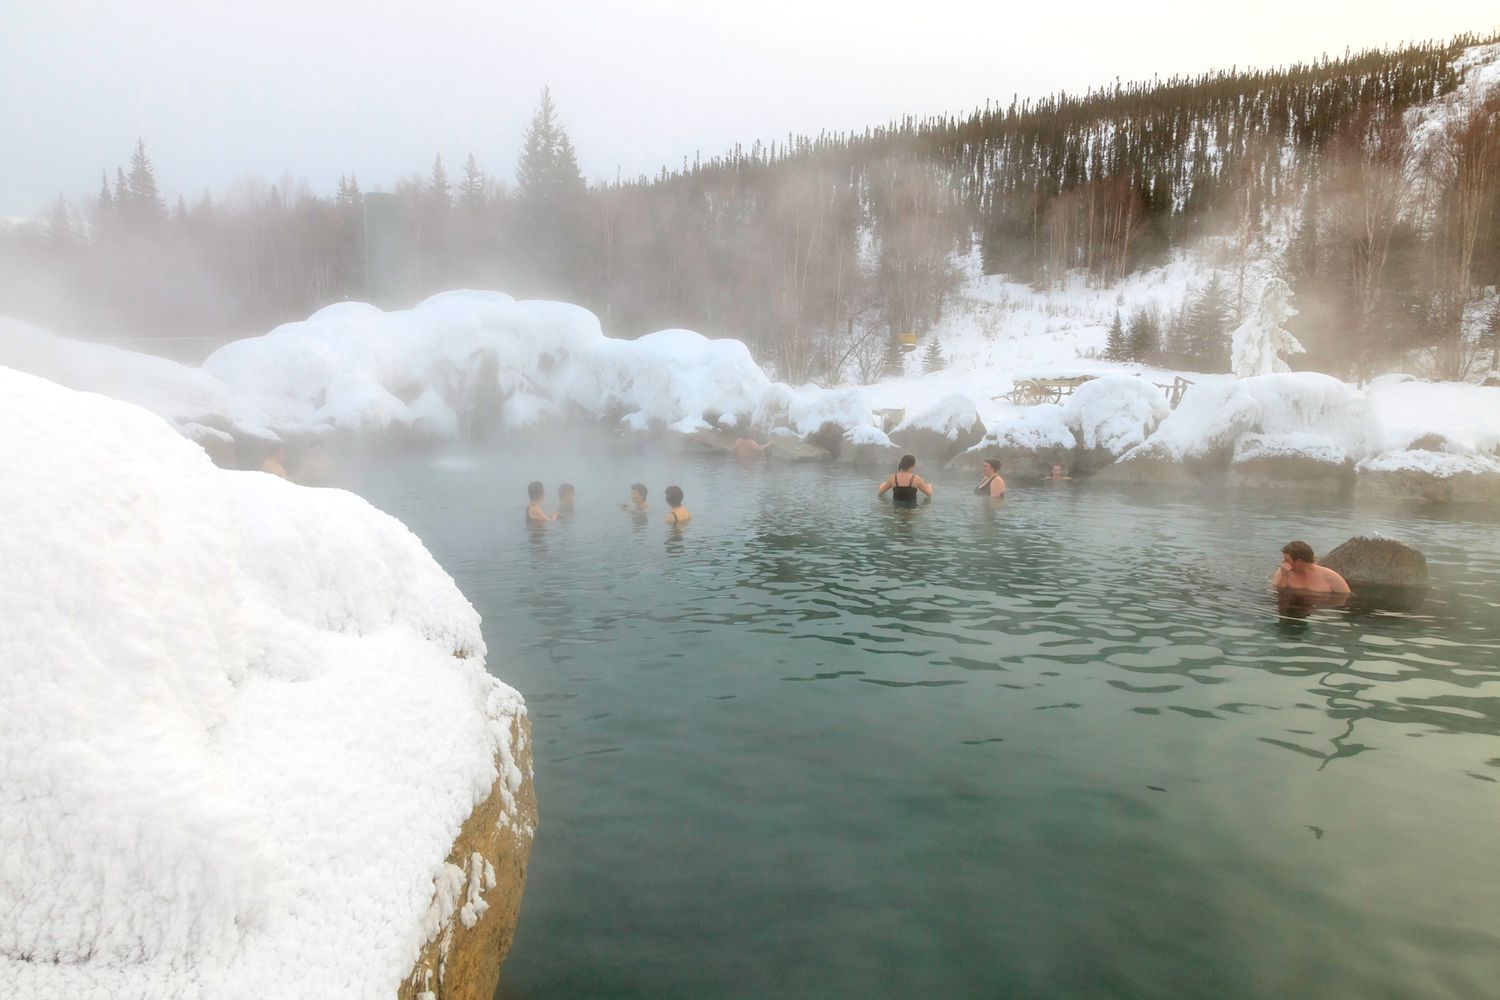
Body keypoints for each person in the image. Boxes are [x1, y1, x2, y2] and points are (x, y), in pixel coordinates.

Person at [1271, 540, 1350, 595]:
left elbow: (1347, 600)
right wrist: (1284, 578)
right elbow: (1275, 595)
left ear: (1298, 562)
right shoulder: (1283, 572)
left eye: (1286, 560)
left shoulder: (1331, 577)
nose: (1283, 562)